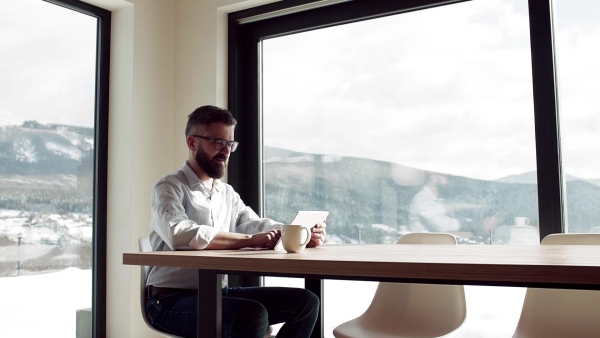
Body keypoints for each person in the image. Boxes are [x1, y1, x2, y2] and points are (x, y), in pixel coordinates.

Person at [145, 105, 326, 338]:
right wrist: (250, 240)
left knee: (306, 302)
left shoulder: (226, 193)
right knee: (251, 314)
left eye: (230, 144)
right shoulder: (169, 187)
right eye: (218, 142)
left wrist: (300, 234)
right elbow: (179, 233)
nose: (226, 151)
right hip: (169, 300)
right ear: (192, 143)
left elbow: (254, 224)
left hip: (219, 292)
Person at [408, 172, 500, 235]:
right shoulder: (421, 200)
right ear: (433, 176)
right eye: (447, 176)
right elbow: (441, 226)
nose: (450, 180)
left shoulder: (440, 200)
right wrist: (477, 225)